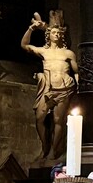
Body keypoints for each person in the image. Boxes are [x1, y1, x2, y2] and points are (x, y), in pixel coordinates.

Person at [22, 11, 78, 159]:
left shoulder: (68, 53)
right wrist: (31, 29)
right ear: (49, 34)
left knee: (58, 120)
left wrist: (78, 86)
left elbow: (76, 72)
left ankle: (54, 150)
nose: (57, 35)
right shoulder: (43, 51)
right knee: (39, 118)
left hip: (64, 88)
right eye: (54, 32)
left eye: (59, 33)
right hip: (47, 88)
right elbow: (25, 45)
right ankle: (45, 146)